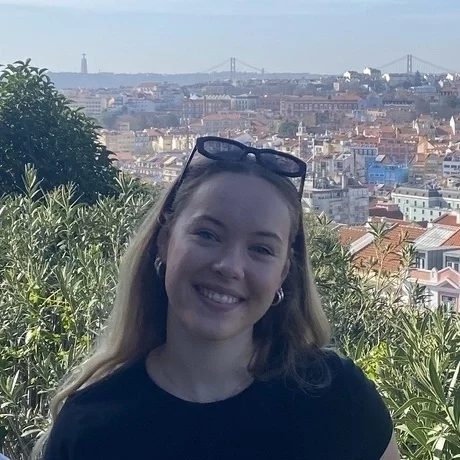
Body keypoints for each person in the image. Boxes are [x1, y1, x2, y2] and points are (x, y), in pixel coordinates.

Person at [36, 136, 400, 460]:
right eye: (208, 234)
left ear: (283, 273)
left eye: (261, 249)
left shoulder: (338, 401)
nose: (229, 267)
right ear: (164, 240)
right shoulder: (90, 428)